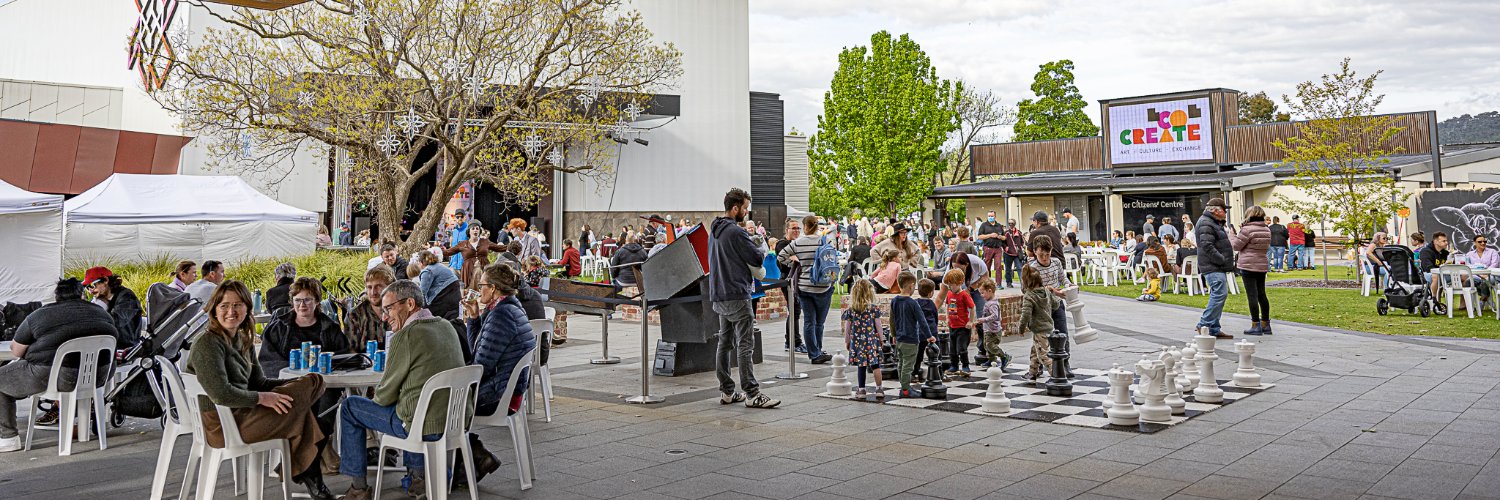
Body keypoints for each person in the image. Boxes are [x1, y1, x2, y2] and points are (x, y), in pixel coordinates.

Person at [187, 281, 334, 499]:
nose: (231, 311)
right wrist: (264, 398)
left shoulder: (242, 339)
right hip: (224, 424)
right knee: (308, 413)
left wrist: (290, 386)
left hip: (245, 413)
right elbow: (221, 394)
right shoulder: (207, 344)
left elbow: (259, 382)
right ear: (214, 309)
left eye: (237, 305)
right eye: (224, 306)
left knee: (314, 381)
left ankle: (303, 469)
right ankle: (308, 472)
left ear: (247, 308)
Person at [335, 280, 468, 500]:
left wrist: (386, 395)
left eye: (388, 309)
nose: (384, 317)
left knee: (350, 407)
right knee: (410, 404)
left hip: (421, 425)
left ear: (409, 303)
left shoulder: (405, 336)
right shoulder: (446, 326)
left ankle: (358, 489)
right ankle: (419, 476)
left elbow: (383, 396)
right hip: (453, 421)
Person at [0, 278, 117, 453]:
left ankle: (8, 438)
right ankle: (84, 432)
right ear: (82, 295)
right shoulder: (102, 313)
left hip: (57, 377)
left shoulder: (40, 315)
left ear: (57, 296)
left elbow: (16, 352)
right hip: (99, 376)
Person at [460, 263, 536, 485]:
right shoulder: (510, 308)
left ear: (493, 289)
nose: (478, 288)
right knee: (449, 405)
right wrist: (474, 318)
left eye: (481, 285)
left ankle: (473, 458)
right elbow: (481, 352)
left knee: (444, 406)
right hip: (509, 390)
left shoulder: (501, 316)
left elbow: (479, 365)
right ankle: (473, 459)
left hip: (500, 394)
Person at [708, 188, 778, 408]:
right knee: (745, 344)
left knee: (724, 343)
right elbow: (756, 257)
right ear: (735, 208)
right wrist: (759, 246)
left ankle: (727, 391)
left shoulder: (715, 230)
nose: (747, 212)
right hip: (737, 293)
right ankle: (752, 393)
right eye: (745, 208)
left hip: (719, 294)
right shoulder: (735, 232)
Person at [777, 214, 836, 364]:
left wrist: (796, 265)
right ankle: (818, 349)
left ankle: (814, 354)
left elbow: (781, 256)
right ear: (816, 226)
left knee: (809, 321)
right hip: (823, 285)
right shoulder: (825, 240)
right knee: (819, 322)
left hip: (804, 286)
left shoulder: (798, 243)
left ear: (805, 227)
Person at [258, 277, 349, 374]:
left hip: (324, 384)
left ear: (317, 301)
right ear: (292, 302)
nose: (302, 304)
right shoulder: (278, 329)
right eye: (297, 300)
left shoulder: (331, 328)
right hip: (286, 384)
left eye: (307, 300)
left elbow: (344, 358)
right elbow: (266, 362)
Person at [1026, 236, 1071, 375]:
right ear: (1034, 252)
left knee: (1063, 333)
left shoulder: (1056, 262)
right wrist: (1051, 290)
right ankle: (1037, 367)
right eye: (1041, 255)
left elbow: (1062, 278)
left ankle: (1065, 363)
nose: (1045, 258)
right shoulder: (1032, 268)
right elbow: (1030, 290)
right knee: (1041, 339)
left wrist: (1070, 286)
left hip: (1057, 304)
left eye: (1047, 254)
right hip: (1040, 309)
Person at [1195, 198, 1235, 339]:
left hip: (1215, 265)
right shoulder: (1206, 222)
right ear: (1216, 210)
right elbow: (1207, 245)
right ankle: (1204, 324)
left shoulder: (1212, 222)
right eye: (1224, 210)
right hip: (1212, 265)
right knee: (1219, 294)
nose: (1226, 213)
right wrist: (1221, 259)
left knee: (1220, 294)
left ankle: (1213, 328)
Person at [842, 279, 886, 399]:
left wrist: (847, 341)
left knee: (861, 366)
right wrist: (882, 339)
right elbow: (878, 326)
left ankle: (861, 390)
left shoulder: (851, 311)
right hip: (872, 342)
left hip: (858, 343)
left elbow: (848, 329)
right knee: (875, 365)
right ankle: (879, 389)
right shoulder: (873, 309)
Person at [1233, 206, 1272, 336]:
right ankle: (1266, 323)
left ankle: (1255, 324)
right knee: (1262, 294)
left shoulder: (1246, 229)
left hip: (1248, 265)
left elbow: (1236, 246)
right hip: (1261, 264)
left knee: (1252, 295)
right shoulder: (1266, 229)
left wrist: (1232, 235)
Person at [83, 266, 142, 349]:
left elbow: (115, 322)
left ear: (106, 280)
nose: (90, 291)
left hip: (124, 346)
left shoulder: (127, 297)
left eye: (93, 285)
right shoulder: (100, 298)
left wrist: (101, 304)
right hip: (105, 345)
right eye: (87, 287)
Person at [1018, 266, 1056, 382]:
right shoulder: (1046, 291)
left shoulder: (1029, 296)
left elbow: (1025, 315)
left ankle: (1056, 375)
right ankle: (1032, 372)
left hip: (1039, 330)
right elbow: (1056, 305)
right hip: (1049, 328)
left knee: (1044, 355)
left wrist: (1021, 328)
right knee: (1035, 350)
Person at [345, 265, 395, 351]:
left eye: (378, 286)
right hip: (363, 363)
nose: (373, 292)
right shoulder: (355, 315)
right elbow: (350, 353)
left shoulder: (399, 312)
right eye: (369, 287)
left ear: (390, 287)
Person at [939, 268, 977, 377]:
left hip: (962, 327)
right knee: (952, 349)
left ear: (960, 283)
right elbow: (947, 305)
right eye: (949, 285)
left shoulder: (964, 295)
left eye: (952, 284)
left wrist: (971, 321)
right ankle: (954, 366)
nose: (950, 287)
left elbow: (972, 307)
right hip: (952, 326)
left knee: (961, 348)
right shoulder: (950, 294)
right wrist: (947, 316)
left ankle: (965, 366)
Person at [444, 224, 506, 290]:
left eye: (477, 228)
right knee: (469, 294)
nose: (475, 230)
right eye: (473, 229)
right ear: (469, 231)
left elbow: (499, 248)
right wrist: (435, 251)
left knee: (484, 291)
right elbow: (448, 251)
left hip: (483, 271)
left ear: (479, 231)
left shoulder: (485, 242)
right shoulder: (462, 244)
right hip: (468, 272)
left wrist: (513, 246)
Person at [970, 278, 1011, 370]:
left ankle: (1004, 356)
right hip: (989, 329)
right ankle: (992, 360)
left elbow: (995, 316)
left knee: (990, 346)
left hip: (993, 330)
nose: (981, 295)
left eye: (982, 293)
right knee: (986, 345)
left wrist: (983, 319)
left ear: (990, 291)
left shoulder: (992, 304)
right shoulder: (989, 302)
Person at [1418, 232, 1452, 300]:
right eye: (1444, 241)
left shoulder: (1445, 253)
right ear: (1436, 241)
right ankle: (1435, 300)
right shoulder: (1425, 251)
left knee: (1463, 276)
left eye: (1446, 240)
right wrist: (1443, 266)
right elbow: (1428, 268)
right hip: (1428, 274)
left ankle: (1463, 304)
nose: (1446, 243)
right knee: (1435, 275)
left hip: (1442, 273)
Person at [977, 211, 1004, 280]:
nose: (990, 217)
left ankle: (998, 283)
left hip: (998, 248)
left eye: (992, 216)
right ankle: (987, 281)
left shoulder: (999, 225)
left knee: (998, 266)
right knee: (987, 265)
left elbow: (1004, 237)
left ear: (995, 216)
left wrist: (999, 237)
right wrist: (990, 235)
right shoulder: (984, 225)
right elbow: (979, 236)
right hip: (988, 248)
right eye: (989, 216)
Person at [1000, 220, 1024, 289]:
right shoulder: (1006, 232)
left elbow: (1022, 242)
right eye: (1009, 223)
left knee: (1020, 268)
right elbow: (1002, 242)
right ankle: (1009, 282)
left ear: (1015, 224)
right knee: (1008, 269)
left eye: (1012, 223)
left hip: (1017, 253)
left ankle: (1022, 283)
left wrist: (1020, 247)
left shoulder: (1019, 232)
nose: (1010, 224)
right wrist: (1006, 248)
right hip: (1008, 253)